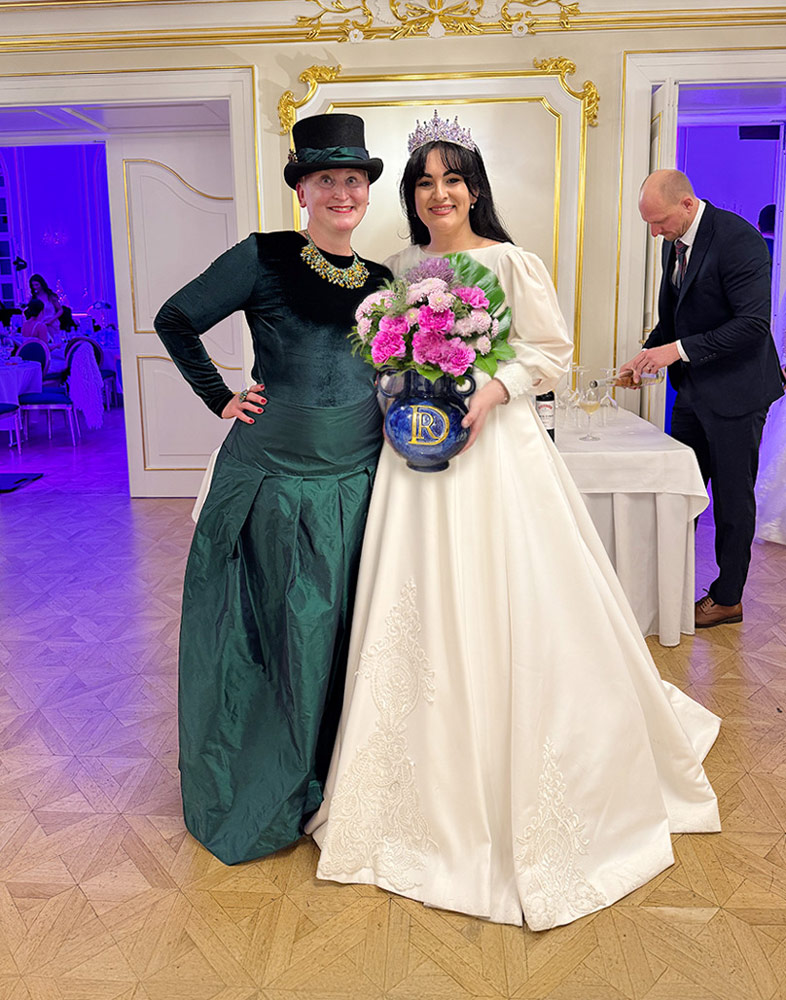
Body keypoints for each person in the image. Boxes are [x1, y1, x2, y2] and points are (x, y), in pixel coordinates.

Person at [306, 117, 721, 931]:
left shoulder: (511, 262)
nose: (439, 194)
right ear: (411, 196)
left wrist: (490, 393)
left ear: (474, 188)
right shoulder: (399, 270)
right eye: (424, 182)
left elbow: (551, 352)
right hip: (416, 457)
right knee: (418, 597)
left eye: (452, 179)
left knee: (514, 592)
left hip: (497, 451)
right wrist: (400, 391)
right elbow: (385, 358)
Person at [154, 113, 390, 865]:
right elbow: (174, 318)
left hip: (358, 481)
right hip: (275, 482)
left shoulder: (384, 283)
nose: (342, 192)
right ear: (303, 190)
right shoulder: (264, 256)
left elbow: (387, 377)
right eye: (326, 179)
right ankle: (269, 781)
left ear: (366, 191)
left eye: (353, 179)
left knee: (344, 633)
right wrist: (219, 396)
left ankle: (335, 773)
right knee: (280, 634)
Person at [620, 170, 783, 627]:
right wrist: (647, 356)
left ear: (687, 204)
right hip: (693, 390)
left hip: (738, 392)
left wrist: (676, 351)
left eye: (659, 222)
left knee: (731, 499)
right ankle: (667, 586)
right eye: (649, 224)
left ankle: (728, 598)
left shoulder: (739, 240)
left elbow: (752, 325)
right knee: (681, 489)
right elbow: (674, 320)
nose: (655, 233)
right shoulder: (674, 242)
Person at [27, 273, 63, 345]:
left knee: (55, 344)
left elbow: (60, 310)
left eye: (37, 285)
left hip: (52, 324)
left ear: (42, 284)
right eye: (33, 285)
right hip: (39, 325)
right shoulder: (34, 298)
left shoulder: (50, 296)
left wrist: (51, 320)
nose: (35, 287)